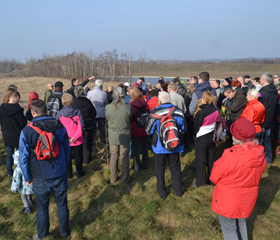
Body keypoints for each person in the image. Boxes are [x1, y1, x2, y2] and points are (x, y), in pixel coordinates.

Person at [19, 100, 71, 240]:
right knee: (62, 204)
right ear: (47, 109)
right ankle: (65, 233)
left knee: (42, 208)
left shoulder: (27, 131)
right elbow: (66, 148)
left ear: (33, 112)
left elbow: (23, 158)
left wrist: (28, 177)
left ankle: (42, 235)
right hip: (59, 172)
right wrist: (64, 166)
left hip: (39, 175)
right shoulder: (59, 125)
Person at [210, 118, 266, 240]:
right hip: (247, 199)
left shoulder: (230, 156)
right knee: (241, 223)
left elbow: (214, 177)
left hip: (228, 201)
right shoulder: (260, 154)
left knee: (229, 229)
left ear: (236, 137)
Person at [145, 91, 185, 199]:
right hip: (175, 145)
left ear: (160, 100)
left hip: (159, 147)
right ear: (170, 99)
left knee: (160, 169)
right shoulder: (178, 112)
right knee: (175, 168)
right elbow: (183, 129)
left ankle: (162, 192)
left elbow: (148, 130)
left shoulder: (154, 113)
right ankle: (179, 190)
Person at [105, 87, 133, 184]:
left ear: (113, 96)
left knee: (114, 156)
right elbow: (130, 117)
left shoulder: (108, 107)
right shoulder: (128, 107)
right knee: (124, 157)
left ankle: (113, 178)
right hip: (124, 135)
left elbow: (107, 118)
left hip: (113, 135)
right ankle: (125, 178)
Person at [193, 91, 218, 188]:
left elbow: (196, 126)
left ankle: (201, 182)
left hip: (202, 138)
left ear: (205, 100)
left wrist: (195, 134)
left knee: (201, 160)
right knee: (211, 160)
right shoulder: (216, 110)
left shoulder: (201, 112)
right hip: (213, 137)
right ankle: (212, 180)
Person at [57, 93, 85, 178]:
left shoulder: (59, 114)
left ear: (63, 102)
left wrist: (66, 138)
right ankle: (79, 173)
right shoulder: (78, 111)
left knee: (67, 158)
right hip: (77, 139)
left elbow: (58, 129)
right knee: (78, 158)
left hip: (65, 140)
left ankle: (69, 175)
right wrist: (75, 137)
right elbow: (81, 126)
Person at [0, 91, 27, 176]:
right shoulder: (17, 110)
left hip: (6, 134)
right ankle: (20, 170)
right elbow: (22, 123)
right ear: (17, 98)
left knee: (9, 153)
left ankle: (9, 172)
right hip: (17, 135)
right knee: (19, 153)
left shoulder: (2, 108)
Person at [72, 86, 96, 165]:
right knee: (87, 142)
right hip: (88, 124)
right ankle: (86, 160)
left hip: (76, 126)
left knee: (78, 143)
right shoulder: (88, 102)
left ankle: (79, 159)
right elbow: (94, 113)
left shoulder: (73, 103)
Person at [258, 72, 278, 164]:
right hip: (270, 119)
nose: (260, 80)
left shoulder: (263, 92)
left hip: (262, 119)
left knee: (261, 141)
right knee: (268, 140)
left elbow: (259, 105)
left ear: (265, 80)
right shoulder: (274, 90)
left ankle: (261, 160)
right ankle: (268, 159)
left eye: (261, 79)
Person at [130, 88, 150, 171]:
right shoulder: (145, 104)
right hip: (145, 128)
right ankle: (145, 164)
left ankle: (136, 165)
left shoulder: (131, 105)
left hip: (135, 129)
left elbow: (130, 117)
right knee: (145, 148)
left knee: (135, 148)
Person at [11, 150, 34, 215]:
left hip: (23, 187)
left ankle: (28, 208)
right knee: (29, 193)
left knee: (23, 197)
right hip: (30, 185)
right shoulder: (30, 165)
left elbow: (16, 180)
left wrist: (14, 188)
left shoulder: (18, 169)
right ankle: (31, 201)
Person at [87, 79, 108, 145]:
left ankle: (92, 141)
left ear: (95, 85)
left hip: (92, 113)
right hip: (102, 113)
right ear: (101, 85)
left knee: (93, 129)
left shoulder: (90, 93)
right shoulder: (104, 93)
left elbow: (88, 102)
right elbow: (106, 103)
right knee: (102, 129)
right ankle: (103, 141)